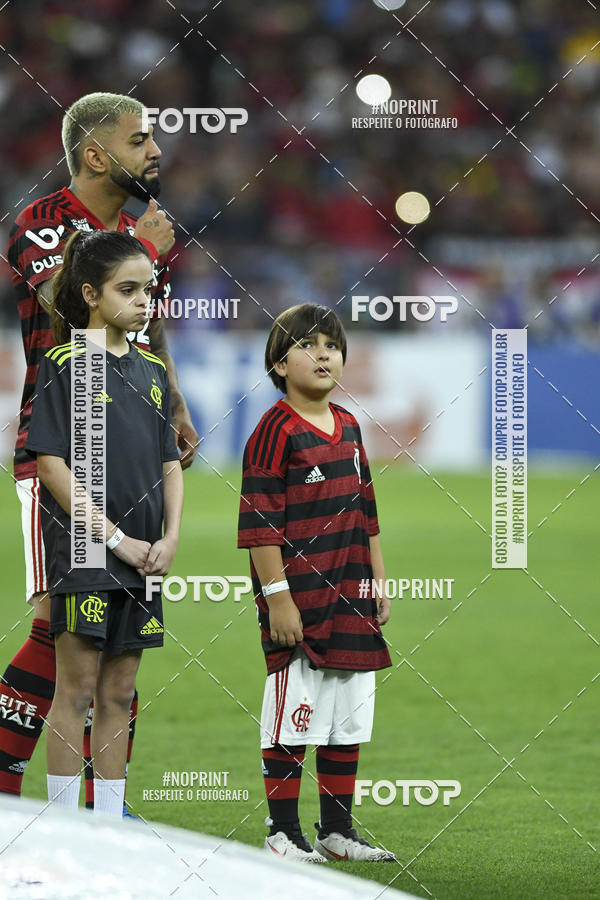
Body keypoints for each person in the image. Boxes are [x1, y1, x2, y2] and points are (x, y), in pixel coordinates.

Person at [1, 91, 198, 804]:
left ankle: (103, 814)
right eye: (140, 140)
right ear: (94, 153)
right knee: (59, 624)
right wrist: (146, 250)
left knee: (119, 632)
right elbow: (63, 306)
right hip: (60, 446)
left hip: (133, 451)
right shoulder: (42, 222)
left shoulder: (135, 232)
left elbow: (145, 330)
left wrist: (173, 402)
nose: (155, 151)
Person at [26, 229, 184, 816]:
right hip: (88, 553)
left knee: (120, 692)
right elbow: (51, 466)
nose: (144, 300)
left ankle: (109, 829)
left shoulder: (152, 370)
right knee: (77, 690)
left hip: (146, 558)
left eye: (149, 289)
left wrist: (169, 538)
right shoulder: (65, 364)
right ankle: (63, 830)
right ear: (91, 294)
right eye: (128, 289)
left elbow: (170, 463)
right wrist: (115, 539)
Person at [238, 303, 395, 862]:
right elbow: (259, 526)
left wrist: (377, 579)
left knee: (346, 717)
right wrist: (278, 600)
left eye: (332, 345)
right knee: (294, 715)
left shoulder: (350, 425)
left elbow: (366, 511)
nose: (324, 354)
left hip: (351, 597)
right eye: (308, 345)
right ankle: (282, 833)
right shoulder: (273, 430)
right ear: (280, 365)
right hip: (300, 602)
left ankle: (337, 833)